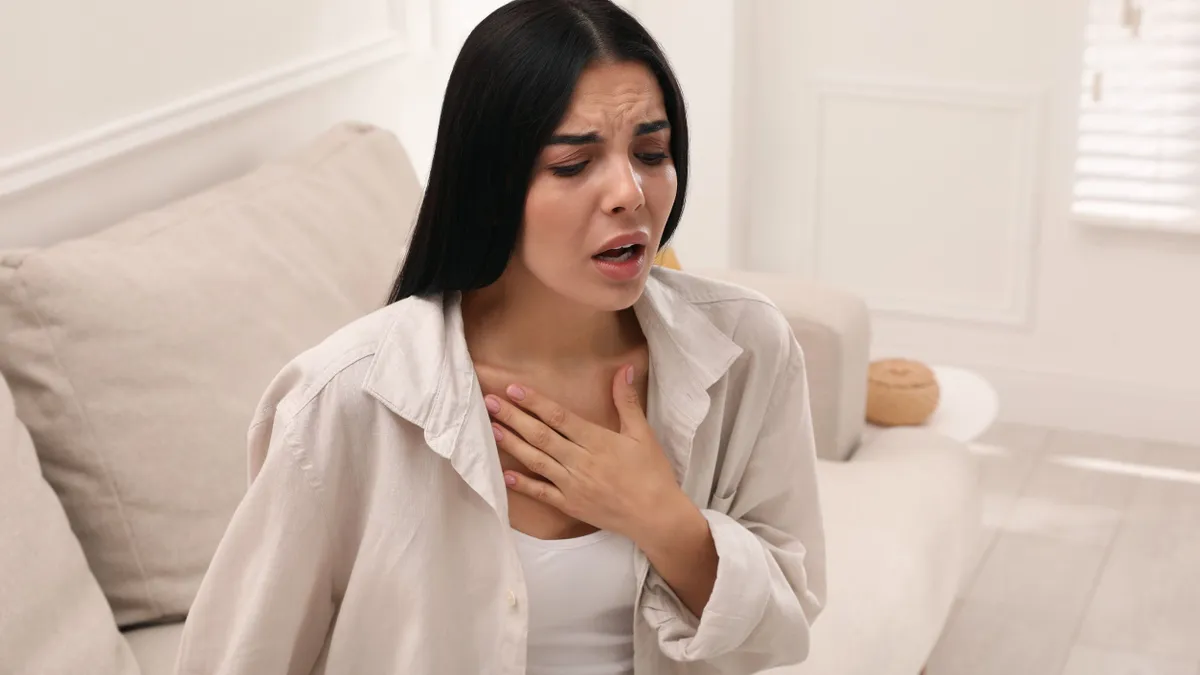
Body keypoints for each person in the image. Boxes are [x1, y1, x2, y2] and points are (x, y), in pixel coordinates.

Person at [174, 0, 825, 673]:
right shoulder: (340, 403)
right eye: (573, 164)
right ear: (490, 184)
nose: (630, 193)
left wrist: (667, 522)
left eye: (651, 153)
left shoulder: (750, 349)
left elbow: (784, 629)